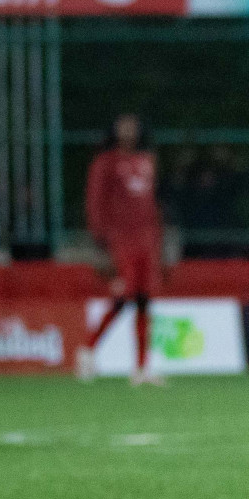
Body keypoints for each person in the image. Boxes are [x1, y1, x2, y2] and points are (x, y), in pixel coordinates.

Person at [78, 114, 165, 386]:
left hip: (147, 240)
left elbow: (152, 203)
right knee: (124, 295)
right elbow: (95, 201)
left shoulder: (147, 160)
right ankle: (88, 348)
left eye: (133, 126)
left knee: (144, 300)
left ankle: (141, 368)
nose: (129, 131)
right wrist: (100, 241)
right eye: (123, 126)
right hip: (121, 239)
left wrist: (159, 238)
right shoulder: (106, 162)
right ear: (114, 130)